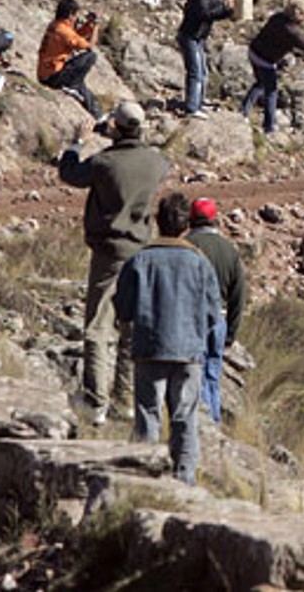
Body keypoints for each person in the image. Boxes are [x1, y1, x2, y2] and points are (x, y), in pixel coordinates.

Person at [57, 100, 168, 426]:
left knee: (98, 326)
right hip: (142, 252)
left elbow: (70, 173)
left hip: (109, 252)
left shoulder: (105, 162)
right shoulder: (156, 163)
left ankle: (95, 401)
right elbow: (160, 162)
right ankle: (125, 399)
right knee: (131, 329)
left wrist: (80, 141)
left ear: (115, 127)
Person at [113, 192, 220, 484]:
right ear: (186, 226)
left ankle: (146, 480)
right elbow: (213, 313)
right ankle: (184, 481)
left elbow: (122, 308)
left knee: (148, 416)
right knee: (185, 419)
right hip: (189, 353)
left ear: (157, 222)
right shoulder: (200, 263)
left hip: (149, 350)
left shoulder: (139, 261)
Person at [185, 198, 245, 427]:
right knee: (212, 374)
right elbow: (239, 295)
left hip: (192, 319)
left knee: (194, 374)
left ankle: (201, 425)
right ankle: (214, 422)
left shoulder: (186, 244)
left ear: (191, 219)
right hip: (218, 319)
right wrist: (231, 332)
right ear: (214, 219)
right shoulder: (229, 250)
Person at [241, 0, 304, 135]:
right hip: (265, 60)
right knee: (271, 91)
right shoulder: (292, 31)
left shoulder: (278, 17)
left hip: (254, 51)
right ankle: (269, 127)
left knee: (260, 84)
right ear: (299, 15)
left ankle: (244, 112)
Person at [176, 0, 232, 118]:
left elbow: (215, 12)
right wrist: (225, 9)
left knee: (203, 72)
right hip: (190, 36)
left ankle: (198, 102)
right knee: (196, 72)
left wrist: (227, 10)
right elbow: (205, 14)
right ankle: (192, 107)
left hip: (198, 37)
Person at [38, 0, 102, 118]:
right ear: (70, 14)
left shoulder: (55, 25)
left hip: (45, 74)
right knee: (90, 57)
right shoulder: (64, 31)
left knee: (81, 86)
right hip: (53, 76)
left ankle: (97, 115)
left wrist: (88, 25)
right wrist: (96, 27)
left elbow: (74, 36)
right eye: (75, 14)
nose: (76, 18)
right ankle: (73, 86)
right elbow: (88, 45)